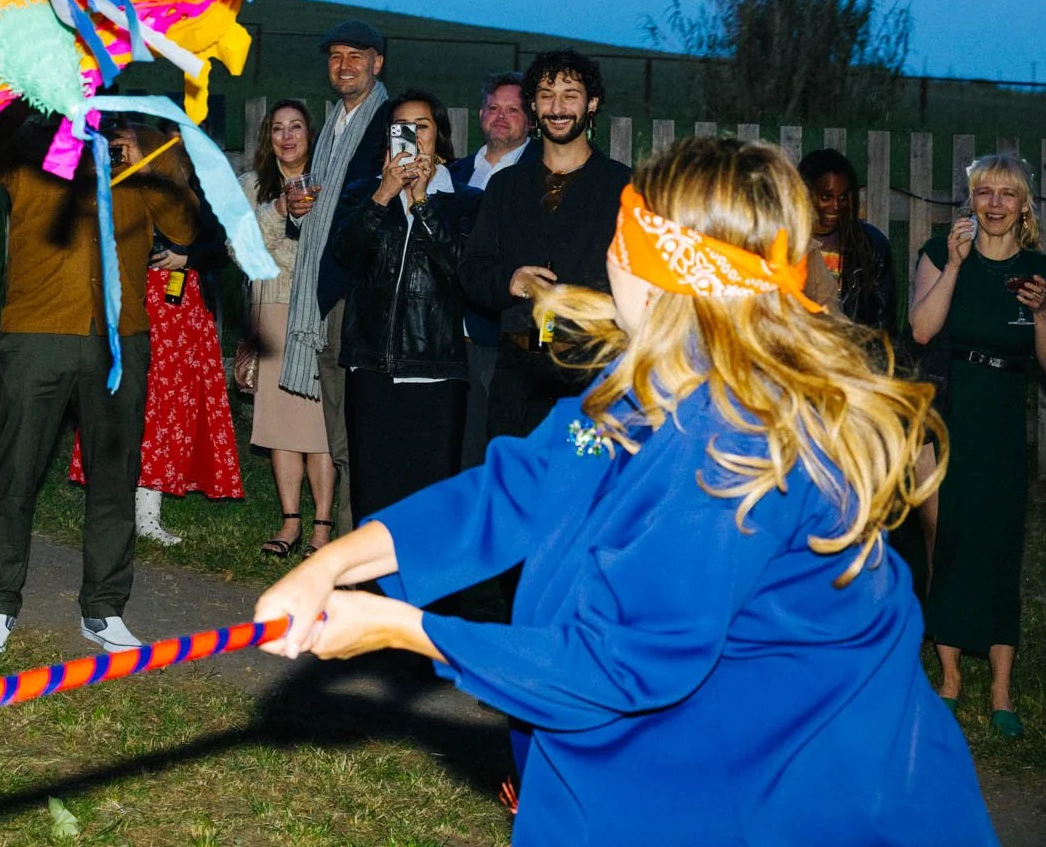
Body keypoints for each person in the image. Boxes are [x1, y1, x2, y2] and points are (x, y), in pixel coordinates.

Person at [255, 137, 995, 846]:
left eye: (623, 236)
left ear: (666, 273)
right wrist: (332, 563)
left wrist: (402, 628)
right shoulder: (648, 377)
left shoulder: (740, 447)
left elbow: (617, 663)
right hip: (667, 770)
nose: (607, 253)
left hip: (784, 798)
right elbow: (517, 489)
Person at [0, 115, 197, 656]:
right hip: (36, 334)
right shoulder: (31, 145)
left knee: (114, 479)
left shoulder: (139, 155)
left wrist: (152, 154)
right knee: (14, 471)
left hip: (119, 338)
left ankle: (104, 609)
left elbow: (185, 230)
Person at [909, 152, 1046, 736]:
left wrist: (1041, 315)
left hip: (1002, 414)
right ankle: (951, 678)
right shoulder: (942, 253)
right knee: (952, 536)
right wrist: (957, 267)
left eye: (1006, 194)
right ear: (971, 201)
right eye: (984, 193)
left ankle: (1000, 689)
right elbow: (920, 329)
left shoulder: (1039, 269)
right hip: (949, 407)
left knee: (998, 543)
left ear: (1024, 206)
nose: (994, 204)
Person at [65, 124, 244, 547]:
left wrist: (188, 253)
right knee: (122, 401)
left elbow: (223, 244)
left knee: (168, 412)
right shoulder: (123, 180)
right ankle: (113, 506)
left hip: (179, 318)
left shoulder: (202, 187)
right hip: (130, 303)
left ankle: (148, 513)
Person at [460, 49, 630, 447]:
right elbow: (472, 270)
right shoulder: (505, 188)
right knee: (516, 496)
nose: (558, 107)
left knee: (585, 497)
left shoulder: (623, 188)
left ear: (592, 104)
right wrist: (511, 281)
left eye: (570, 94)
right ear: (533, 106)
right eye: (546, 95)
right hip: (518, 375)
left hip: (594, 371)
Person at [332, 92, 471, 521]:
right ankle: (370, 584)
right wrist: (385, 193)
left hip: (434, 368)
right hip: (372, 366)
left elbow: (462, 268)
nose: (412, 135)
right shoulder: (363, 192)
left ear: (438, 135)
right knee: (373, 493)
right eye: (401, 127)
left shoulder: (466, 199)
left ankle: (420, 588)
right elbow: (344, 254)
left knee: (429, 496)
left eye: (422, 125)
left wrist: (422, 200)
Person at [282, 19, 391, 539]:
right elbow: (326, 204)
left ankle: (356, 546)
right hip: (327, 291)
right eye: (335, 56)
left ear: (378, 63)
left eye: (356, 56)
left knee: (361, 430)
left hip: (364, 294)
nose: (344, 65)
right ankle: (348, 545)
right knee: (339, 430)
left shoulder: (392, 121)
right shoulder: (332, 123)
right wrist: (300, 209)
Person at [238, 101, 333, 559]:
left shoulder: (330, 185)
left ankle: (322, 528)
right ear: (267, 137)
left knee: (318, 426)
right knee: (280, 426)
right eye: (278, 128)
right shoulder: (251, 187)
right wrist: (278, 208)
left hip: (318, 316)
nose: (287, 136)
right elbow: (242, 253)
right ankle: (290, 522)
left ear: (310, 135)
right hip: (272, 314)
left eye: (296, 126)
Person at [447, 72, 530, 468]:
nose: (501, 116)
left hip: (500, 334)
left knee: (498, 446)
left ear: (530, 118)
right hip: (447, 335)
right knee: (456, 444)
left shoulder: (537, 176)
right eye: (494, 107)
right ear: (481, 114)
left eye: (513, 109)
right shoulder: (455, 173)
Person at [797, 148, 896, 331]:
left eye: (843, 197)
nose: (835, 206)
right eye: (826, 197)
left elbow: (883, 321)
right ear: (805, 193)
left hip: (854, 351)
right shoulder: (786, 242)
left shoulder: (871, 244)